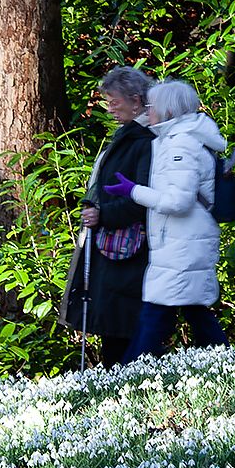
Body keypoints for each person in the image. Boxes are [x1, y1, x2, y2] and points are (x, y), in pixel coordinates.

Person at [100, 79, 231, 361]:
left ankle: (130, 374)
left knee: (156, 315)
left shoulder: (180, 145)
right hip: (181, 243)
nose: (148, 110)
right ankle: (226, 361)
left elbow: (178, 202)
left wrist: (133, 191)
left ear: (168, 110)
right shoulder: (177, 140)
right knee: (192, 312)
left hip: (182, 245)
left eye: (152, 106)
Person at [61, 66, 156, 366]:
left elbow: (144, 197)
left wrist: (103, 215)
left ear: (136, 101)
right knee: (115, 326)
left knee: (123, 328)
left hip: (129, 248)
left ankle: (128, 381)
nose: (110, 108)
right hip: (116, 247)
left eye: (115, 102)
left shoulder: (144, 141)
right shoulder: (130, 136)